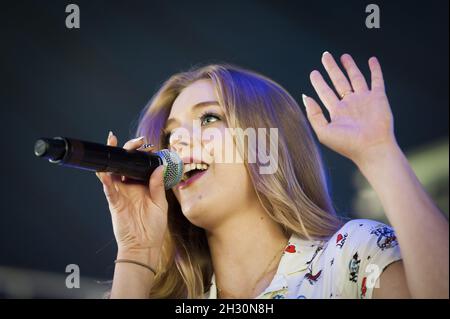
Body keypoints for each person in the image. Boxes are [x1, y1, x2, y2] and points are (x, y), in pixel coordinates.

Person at [95, 52, 449, 299]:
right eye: (171, 134)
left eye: (209, 118)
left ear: (266, 145)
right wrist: (136, 251)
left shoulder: (350, 258)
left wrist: (379, 154)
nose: (178, 143)